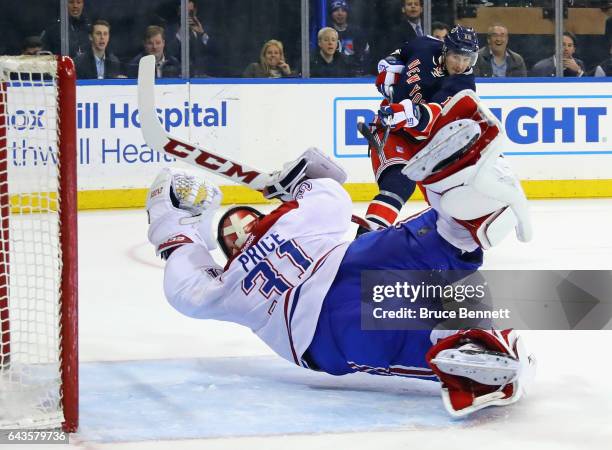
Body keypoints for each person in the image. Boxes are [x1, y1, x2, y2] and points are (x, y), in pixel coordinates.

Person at [145, 97, 535, 417]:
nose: (238, 232)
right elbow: (330, 187)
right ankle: (462, 217)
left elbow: (184, 286)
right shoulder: (293, 221)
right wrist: (296, 180)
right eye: (231, 236)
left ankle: (466, 339)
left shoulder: (230, 285)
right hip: (332, 296)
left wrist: (176, 226)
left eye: (238, 224)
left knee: (419, 282)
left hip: (327, 305)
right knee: (427, 255)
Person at [357, 25, 479, 234]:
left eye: (467, 59)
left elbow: (433, 113)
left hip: (429, 147)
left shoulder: (464, 86)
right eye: (456, 56)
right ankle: (362, 244)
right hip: (394, 134)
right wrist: (388, 67)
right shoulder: (423, 44)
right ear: (445, 50)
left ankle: (456, 243)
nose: (461, 65)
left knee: (452, 199)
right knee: (398, 186)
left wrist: (406, 113)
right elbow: (399, 55)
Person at [164, 0, 217, 77]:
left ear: (195, 11)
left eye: (190, 12)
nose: (187, 15)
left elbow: (215, 50)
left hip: (204, 75)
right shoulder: (170, 29)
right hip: (179, 75)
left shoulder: (206, 27)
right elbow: (169, 52)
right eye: (184, 12)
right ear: (179, 12)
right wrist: (180, 34)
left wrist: (202, 34)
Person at [328, 0, 370, 75]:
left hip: (353, 74)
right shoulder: (326, 33)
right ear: (331, 13)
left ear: (347, 13)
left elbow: (363, 56)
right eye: (336, 10)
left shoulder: (357, 33)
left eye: (343, 10)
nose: (340, 13)